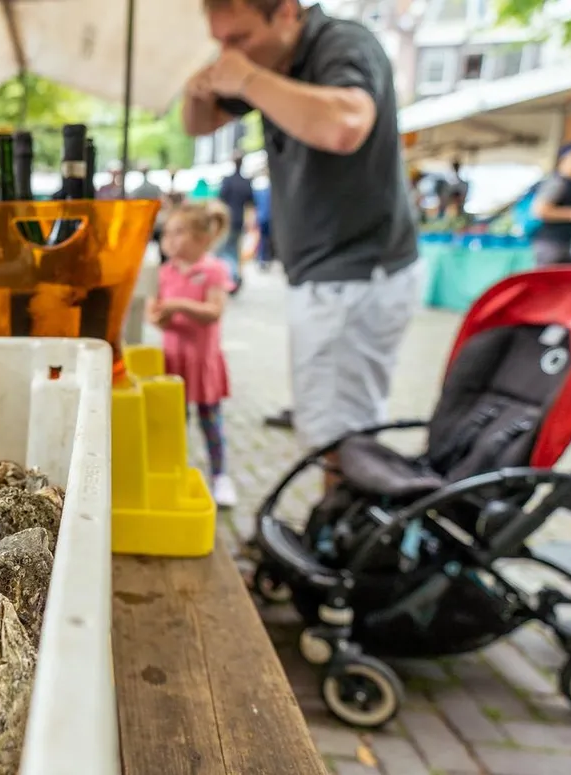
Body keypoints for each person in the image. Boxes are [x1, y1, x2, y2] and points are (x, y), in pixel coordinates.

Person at [183, 0, 420, 477]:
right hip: (327, 275)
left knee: (339, 436)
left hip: (355, 273)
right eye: (221, 42)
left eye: (239, 38)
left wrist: (247, 79)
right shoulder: (272, 59)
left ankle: (339, 522)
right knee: (328, 427)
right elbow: (199, 124)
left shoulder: (343, 44)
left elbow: (345, 125)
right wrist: (198, 88)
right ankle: (338, 517)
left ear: (287, 12)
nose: (229, 53)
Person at [148, 201, 238, 507]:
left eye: (179, 232)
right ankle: (176, 471)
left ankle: (220, 475)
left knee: (210, 421)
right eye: (167, 233)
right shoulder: (165, 272)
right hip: (173, 361)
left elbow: (214, 311)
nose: (170, 240)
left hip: (203, 362)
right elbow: (154, 312)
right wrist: (159, 316)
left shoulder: (213, 270)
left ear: (201, 238)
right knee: (176, 422)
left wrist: (178, 306)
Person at [218, 151, 254, 289]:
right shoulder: (246, 182)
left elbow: (221, 200)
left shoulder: (227, 181)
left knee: (226, 249)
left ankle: (231, 276)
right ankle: (235, 275)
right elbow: (250, 204)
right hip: (240, 220)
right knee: (236, 249)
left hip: (228, 220)